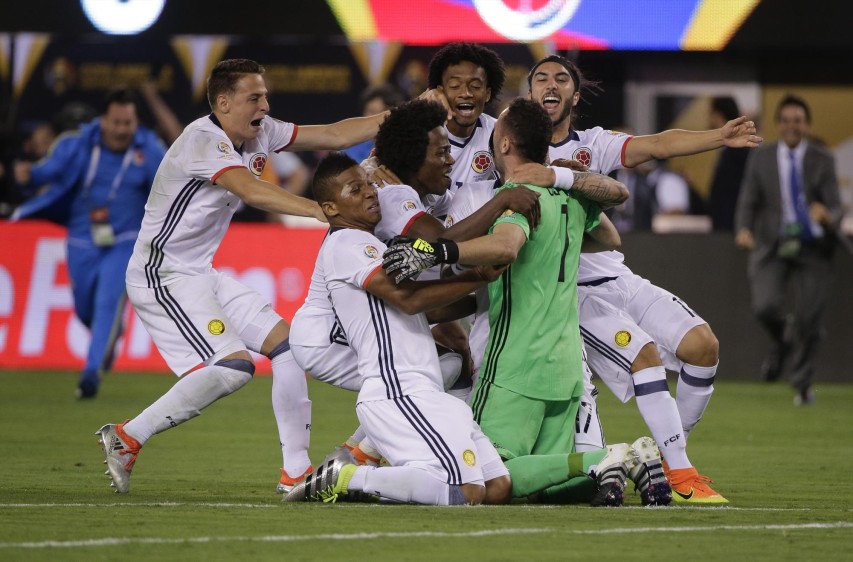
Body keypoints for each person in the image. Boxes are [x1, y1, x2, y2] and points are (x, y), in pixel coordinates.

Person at [94, 58, 401, 493]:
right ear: (223, 103)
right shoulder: (202, 139)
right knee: (234, 367)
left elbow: (334, 133)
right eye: (254, 97)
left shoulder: (260, 132)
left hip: (200, 272)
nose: (265, 104)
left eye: (265, 95)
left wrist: (402, 116)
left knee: (289, 349)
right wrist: (323, 211)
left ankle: (294, 474)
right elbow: (251, 189)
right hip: (161, 276)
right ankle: (126, 437)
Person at [528, 54, 761, 502]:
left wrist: (718, 136)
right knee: (646, 356)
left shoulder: (592, 144)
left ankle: (670, 450)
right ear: (530, 92)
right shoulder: (509, 146)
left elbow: (656, 144)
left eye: (561, 78)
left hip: (617, 278)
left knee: (702, 345)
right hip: (569, 293)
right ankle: (680, 475)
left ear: (575, 95)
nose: (550, 85)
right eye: (540, 78)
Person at [284, 152, 512, 505]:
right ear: (330, 208)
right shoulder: (347, 241)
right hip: (397, 387)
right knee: (467, 492)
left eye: (369, 184)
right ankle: (349, 476)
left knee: (497, 487)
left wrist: (479, 295)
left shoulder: (373, 244)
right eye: (354, 189)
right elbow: (406, 299)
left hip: (425, 388)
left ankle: (376, 482)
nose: (370, 193)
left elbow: (421, 306)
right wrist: (476, 276)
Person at [13, 87, 166, 398]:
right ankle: (111, 335)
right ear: (104, 120)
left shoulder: (148, 149)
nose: (122, 129)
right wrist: (30, 175)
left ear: (135, 122)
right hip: (82, 239)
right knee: (84, 309)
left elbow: (168, 189)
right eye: (117, 122)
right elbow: (49, 172)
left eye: (128, 123)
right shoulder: (79, 143)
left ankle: (90, 375)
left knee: (106, 302)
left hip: (126, 242)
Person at [735, 95, 842, 406]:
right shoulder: (762, 157)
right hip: (772, 244)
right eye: (786, 121)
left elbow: (836, 206)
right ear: (778, 125)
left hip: (814, 248)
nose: (792, 127)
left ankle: (802, 384)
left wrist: (828, 215)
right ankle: (782, 337)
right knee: (765, 306)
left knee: (810, 319)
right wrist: (743, 227)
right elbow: (748, 198)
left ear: (806, 125)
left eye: (797, 121)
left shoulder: (823, 159)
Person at [709, 96, 751, 231]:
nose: (707, 118)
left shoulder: (739, 151)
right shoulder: (727, 152)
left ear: (718, 115)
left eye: (710, 114)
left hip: (734, 229)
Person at [342, 84, 406, 164]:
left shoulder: (404, 149)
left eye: (382, 112)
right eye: (371, 111)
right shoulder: (349, 149)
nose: (376, 119)